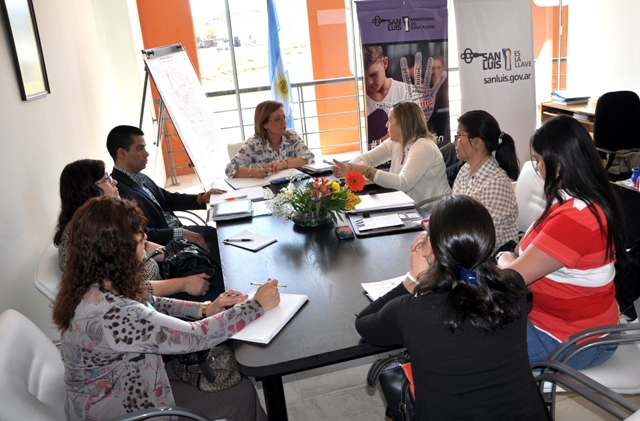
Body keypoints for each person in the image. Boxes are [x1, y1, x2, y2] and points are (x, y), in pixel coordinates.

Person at [52, 196, 279, 420]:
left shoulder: (94, 281)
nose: (145, 237)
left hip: (132, 377)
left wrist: (205, 309)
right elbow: (197, 336)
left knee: (235, 383)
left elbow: (150, 299)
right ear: (117, 250)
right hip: (127, 407)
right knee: (241, 395)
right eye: (138, 236)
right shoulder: (112, 313)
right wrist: (256, 305)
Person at [356, 195, 550, 421]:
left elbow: (365, 324)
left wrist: (413, 279)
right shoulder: (514, 289)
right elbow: (474, 278)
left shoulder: (410, 312)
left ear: (430, 248)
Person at [497, 115, 626, 369]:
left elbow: (513, 277)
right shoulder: (575, 199)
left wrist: (502, 258)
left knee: (476, 357)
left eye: (537, 160)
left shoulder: (576, 218)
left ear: (556, 164)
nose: (537, 168)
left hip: (576, 339)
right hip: (557, 323)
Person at [54, 159, 218, 299]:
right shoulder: (84, 236)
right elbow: (123, 291)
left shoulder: (99, 220)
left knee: (210, 263)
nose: (114, 182)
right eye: (106, 179)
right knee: (219, 289)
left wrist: (178, 253)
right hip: (151, 300)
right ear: (89, 189)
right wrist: (183, 284)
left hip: (162, 282)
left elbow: (142, 245)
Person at [107, 125, 224, 265]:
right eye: (140, 148)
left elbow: (168, 199)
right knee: (217, 252)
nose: (146, 153)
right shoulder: (119, 191)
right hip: (166, 244)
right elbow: (142, 233)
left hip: (179, 231)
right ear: (122, 153)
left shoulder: (140, 177)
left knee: (218, 235)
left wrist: (201, 198)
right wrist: (180, 233)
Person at [332, 101, 450, 204]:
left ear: (402, 124)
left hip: (434, 211)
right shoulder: (395, 142)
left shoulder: (423, 146)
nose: (386, 125)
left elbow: (402, 183)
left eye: (390, 120)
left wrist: (367, 171)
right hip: (410, 206)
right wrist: (349, 168)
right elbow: (367, 158)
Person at [452, 110, 520, 252]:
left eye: (458, 136)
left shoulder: (497, 184)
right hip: (463, 248)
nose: (454, 142)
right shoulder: (465, 170)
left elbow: (484, 241)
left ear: (477, 142)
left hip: (486, 261)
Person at [225, 100, 315, 178]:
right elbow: (230, 168)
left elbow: (309, 156)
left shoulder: (291, 136)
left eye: (284, 117)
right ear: (265, 124)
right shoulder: (254, 143)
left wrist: (282, 164)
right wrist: (254, 172)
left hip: (293, 187)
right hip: (266, 190)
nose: (283, 122)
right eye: (277, 119)